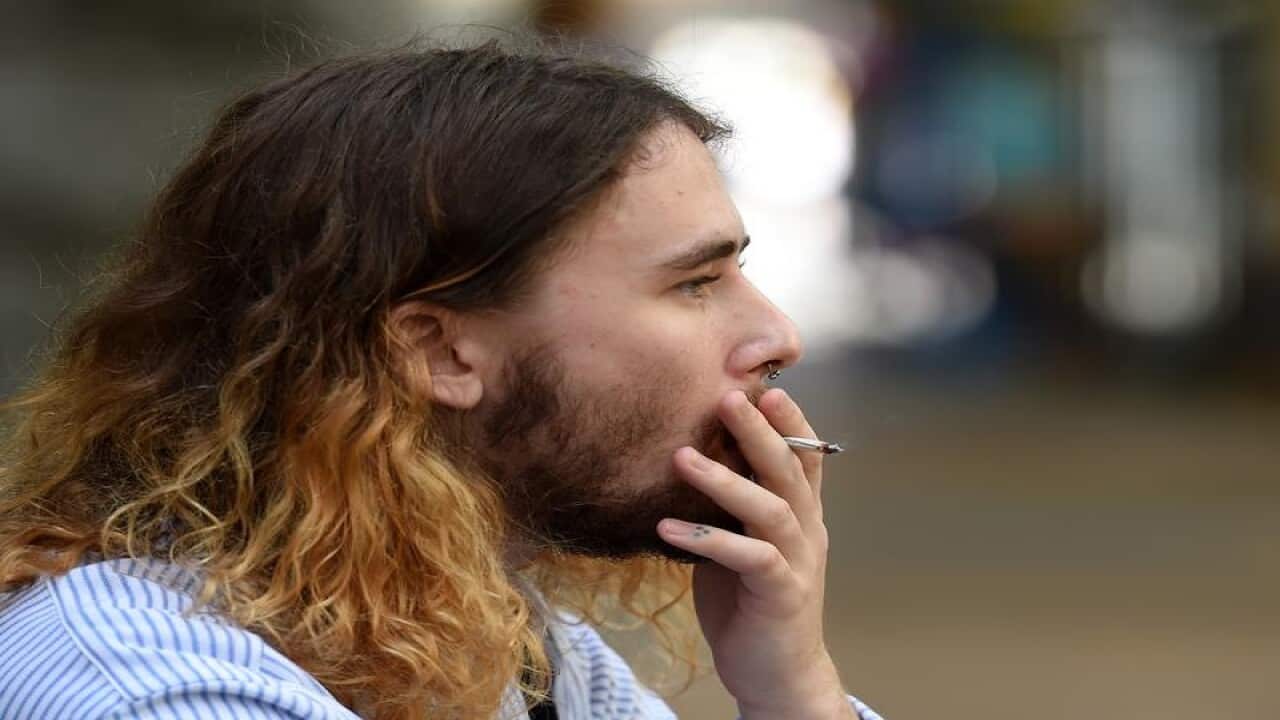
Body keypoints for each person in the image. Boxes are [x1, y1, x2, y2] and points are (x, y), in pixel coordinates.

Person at [0, 37, 883, 720]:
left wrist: (792, 685)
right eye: (694, 282)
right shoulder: (153, 688)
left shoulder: (503, 640)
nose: (779, 334)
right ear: (438, 352)